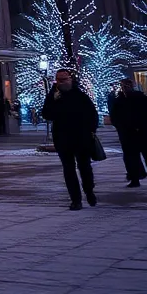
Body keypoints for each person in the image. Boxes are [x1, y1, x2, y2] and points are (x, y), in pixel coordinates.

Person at [41, 69, 99, 210]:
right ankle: (75, 199)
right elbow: (46, 114)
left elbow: (93, 115)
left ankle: (89, 190)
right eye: (58, 80)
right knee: (68, 169)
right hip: (63, 138)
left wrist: (91, 131)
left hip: (81, 138)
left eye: (64, 79)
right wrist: (54, 101)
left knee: (84, 167)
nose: (61, 82)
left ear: (70, 79)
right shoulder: (53, 96)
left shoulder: (80, 96)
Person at [109, 78, 147, 189]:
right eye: (123, 86)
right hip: (127, 133)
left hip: (141, 132)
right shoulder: (119, 100)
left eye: (127, 85)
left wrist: (142, 125)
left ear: (132, 86)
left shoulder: (141, 98)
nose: (124, 88)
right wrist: (121, 127)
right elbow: (114, 117)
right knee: (131, 158)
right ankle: (135, 179)